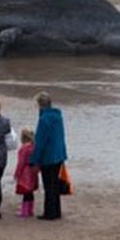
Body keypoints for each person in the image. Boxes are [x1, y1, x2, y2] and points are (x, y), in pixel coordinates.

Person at [29, 91, 68, 220]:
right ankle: (56, 211)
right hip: (59, 154)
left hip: (48, 156)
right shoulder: (58, 116)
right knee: (54, 184)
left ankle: (50, 213)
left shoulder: (44, 119)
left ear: (40, 104)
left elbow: (40, 141)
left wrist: (34, 160)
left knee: (49, 185)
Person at [14, 128, 39, 218]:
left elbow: (21, 162)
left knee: (26, 192)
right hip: (33, 171)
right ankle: (30, 210)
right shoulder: (34, 147)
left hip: (25, 172)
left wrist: (17, 173)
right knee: (30, 192)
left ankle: (24, 211)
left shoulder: (23, 149)